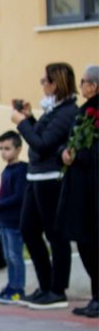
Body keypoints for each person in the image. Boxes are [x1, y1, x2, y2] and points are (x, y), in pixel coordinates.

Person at [11, 62, 79, 310]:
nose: (41, 84)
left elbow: (42, 144)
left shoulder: (68, 111)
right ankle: (45, 285)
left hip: (51, 179)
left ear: (55, 83)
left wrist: (21, 123)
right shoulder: (55, 110)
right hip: (35, 177)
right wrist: (29, 117)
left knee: (55, 235)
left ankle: (57, 290)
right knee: (28, 229)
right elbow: (43, 134)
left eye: (44, 80)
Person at [56, 64, 99, 318]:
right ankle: (96, 296)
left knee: (93, 243)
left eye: (83, 81)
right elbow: (72, 139)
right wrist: (65, 151)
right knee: (86, 244)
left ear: (93, 85)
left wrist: (77, 156)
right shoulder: (84, 111)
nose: (81, 86)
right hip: (80, 189)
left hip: (91, 189)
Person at [0, 131, 29, 303]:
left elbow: (19, 196)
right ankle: (11, 285)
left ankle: (18, 288)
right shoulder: (6, 170)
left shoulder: (21, 170)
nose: (4, 152)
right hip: (4, 220)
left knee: (15, 255)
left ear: (18, 149)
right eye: (1, 149)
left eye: (7, 148)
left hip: (15, 221)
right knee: (8, 256)